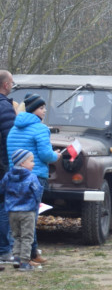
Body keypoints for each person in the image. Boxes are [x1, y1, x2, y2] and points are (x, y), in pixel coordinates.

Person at [7, 93, 59, 266]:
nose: (44, 111)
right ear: (33, 110)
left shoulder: (14, 128)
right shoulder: (40, 128)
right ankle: (28, 256)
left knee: (19, 217)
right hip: (35, 175)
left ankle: (28, 253)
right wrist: (56, 156)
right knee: (31, 216)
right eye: (41, 107)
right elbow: (45, 154)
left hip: (14, 176)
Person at [0, 150, 43, 271]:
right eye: (31, 161)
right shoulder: (31, 177)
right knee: (27, 237)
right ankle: (24, 262)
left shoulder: (8, 176)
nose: (33, 163)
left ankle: (17, 259)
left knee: (16, 236)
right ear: (23, 163)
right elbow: (37, 193)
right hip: (27, 211)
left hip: (12, 211)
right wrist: (36, 205)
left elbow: (1, 189)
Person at [0, 70, 17, 264]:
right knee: (4, 207)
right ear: (5, 85)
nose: (12, 85)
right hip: (2, 165)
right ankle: (4, 251)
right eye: (12, 82)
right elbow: (9, 139)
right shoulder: (5, 107)